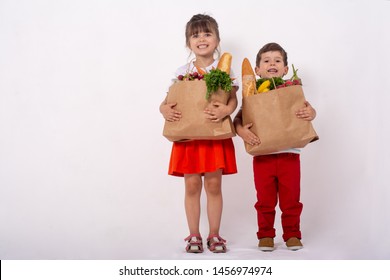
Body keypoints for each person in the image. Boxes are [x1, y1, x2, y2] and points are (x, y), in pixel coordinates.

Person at [159, 14, 238, 253]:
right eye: (195, 35)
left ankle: (214, 234)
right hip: (189, 137)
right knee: (192, 186)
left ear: (217, 38)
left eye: (207, 33)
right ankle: (194, 234)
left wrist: (227, 109)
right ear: (188, 42)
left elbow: (233, 99)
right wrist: (163, 109)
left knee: (214, 186)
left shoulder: (224, 69)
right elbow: (168, 100)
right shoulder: (182, 71)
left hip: (213, 134)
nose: (201, 39)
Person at [234, 42, 316, 251]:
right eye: (266, 61)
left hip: (290, 155)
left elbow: (306, 111)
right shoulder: (253, 95)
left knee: (291, 200)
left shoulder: (291, 90)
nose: (272, 64)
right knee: (264, 200)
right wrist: (242, 130)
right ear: (257, 70)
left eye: (277, 61)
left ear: (286, 69)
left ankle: (292, 234)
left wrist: (312, 113)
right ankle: (266, 235)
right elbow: (239, 119)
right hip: (263, 156)